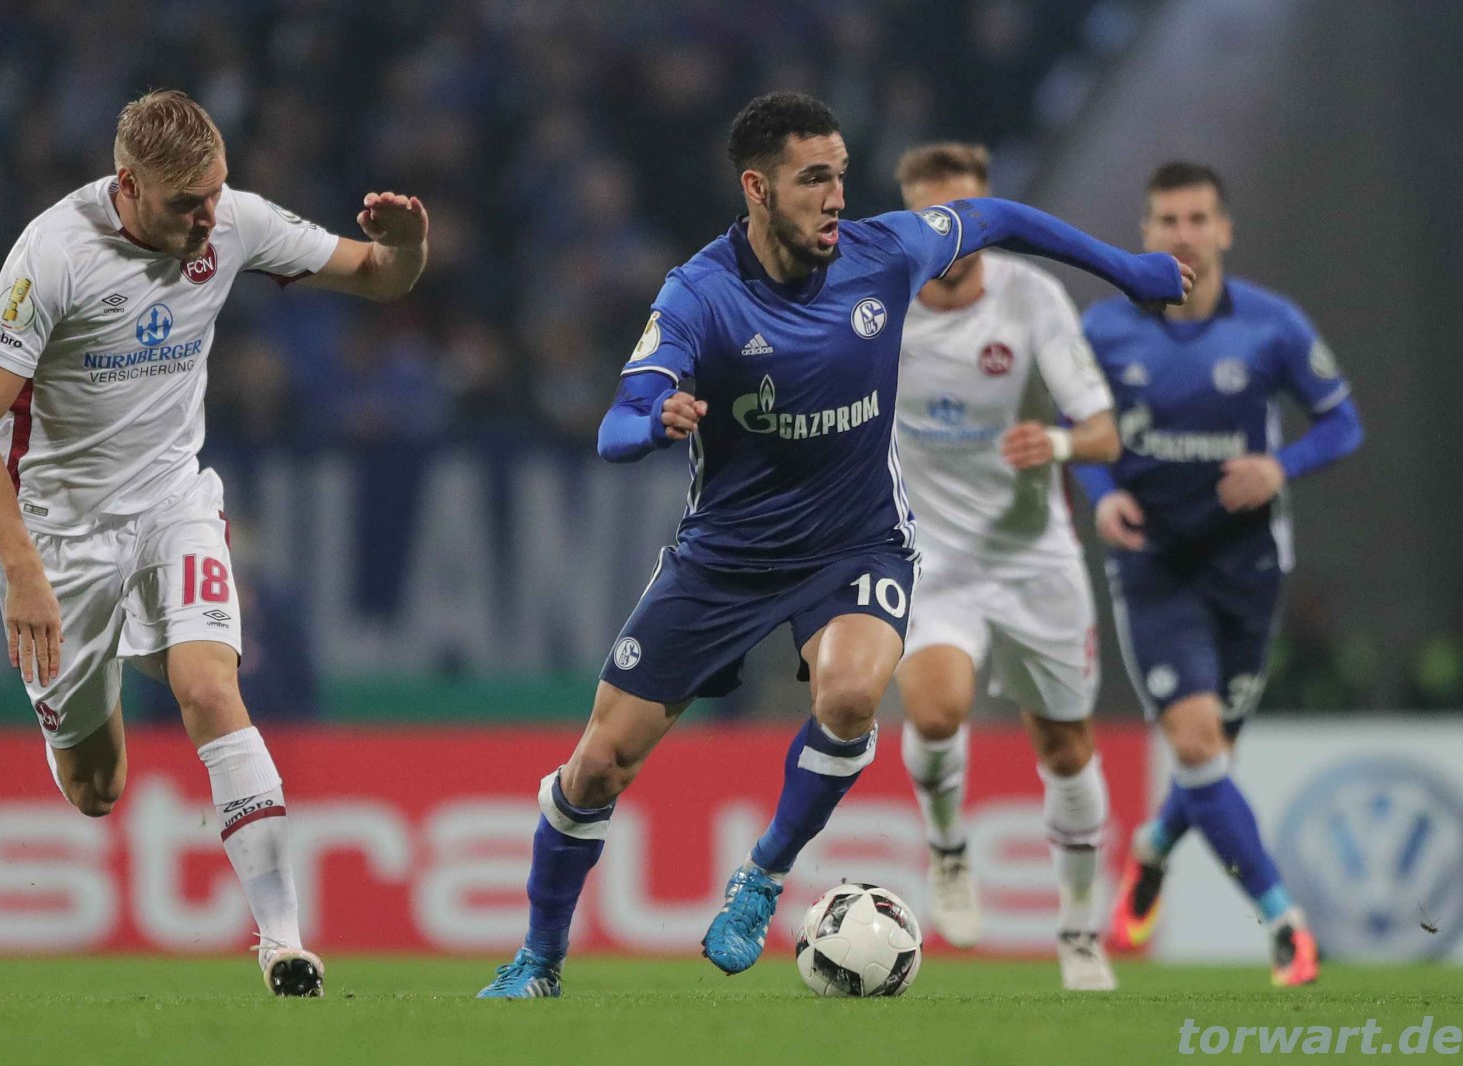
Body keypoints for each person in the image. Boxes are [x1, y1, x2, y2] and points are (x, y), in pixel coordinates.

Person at [477, 92, 1189, 999]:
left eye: (842, 175)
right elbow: (617, 423)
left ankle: (764, 875)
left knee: (852, 696)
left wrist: (1125, 268)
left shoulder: (885, 253)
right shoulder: (700, 293)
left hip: (857, 545)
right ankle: (538, 961)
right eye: (814, 179)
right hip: (725, 559)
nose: (837, 197)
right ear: (757, 189)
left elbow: (998, 217)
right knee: (597, 766)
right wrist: (655, 422)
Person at [0, 90, 428, 997]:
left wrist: (408, 244)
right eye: (185, 204)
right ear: (128, 185)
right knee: (96, 790)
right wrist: (22, 571)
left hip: (174, 502)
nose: (208, 218)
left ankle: (284, 944)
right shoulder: (53, 254)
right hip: (63, 538)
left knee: (211, 687)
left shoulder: (230, 220)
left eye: (216, 193)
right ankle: (115, 659)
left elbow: (378, 275)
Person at [1075, 162, 1362, 986]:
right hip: (1154, 562)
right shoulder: (1104, 330)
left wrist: (1281, 466)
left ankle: (1154, 846)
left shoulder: (1273, 325)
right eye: (1168, 220)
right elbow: (1076, 427)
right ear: (1146, 232)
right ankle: (1286, 925)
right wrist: (1101, 494)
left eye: (1198, 218)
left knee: (1212, 756)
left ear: (1224, 229)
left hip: (1248, 565)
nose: (1184, 235)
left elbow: (1342, 423)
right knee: (1198, 744)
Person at [888, 143, 1120, 990]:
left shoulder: (1032, 297)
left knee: (1065, 748)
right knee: (936, 710)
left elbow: (1104, 433)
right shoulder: (882, 305)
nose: (955, 235)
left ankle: (1080, 932)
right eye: (936, 220)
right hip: (933, 560)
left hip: (1033, 560)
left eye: (970, 218)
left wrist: (1054, 443)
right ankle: (949, 849)